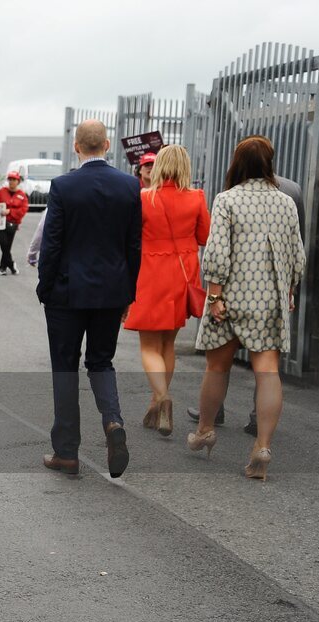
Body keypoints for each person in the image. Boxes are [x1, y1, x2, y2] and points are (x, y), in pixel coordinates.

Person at [188, 136, 305, 481]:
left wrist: (214, 296)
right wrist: (290, 289)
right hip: (270, 298)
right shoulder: (285, 203)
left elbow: (217, 253)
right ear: (270, 163)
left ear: (237, 163)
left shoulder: (227, 200)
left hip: (232, 297)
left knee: (217, 366)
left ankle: (206, 430)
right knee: (267, 371)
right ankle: (263, 446)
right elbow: (296, 255)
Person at [37, 120, 141, 478]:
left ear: (77, 147)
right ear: (107, 145)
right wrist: (129, 291)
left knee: (65, 367)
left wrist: (44, 287)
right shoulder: (130, 185)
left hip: (67, 292)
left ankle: (66, 452)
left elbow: (52, 243)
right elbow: (133, 245)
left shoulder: (63, 186)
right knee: (101, 361)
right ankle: (113, 422)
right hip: (111, 291)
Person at [122, 145, 210, 437]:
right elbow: (203, 236)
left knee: (148, 346)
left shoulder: (144, 198)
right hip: (183, 275)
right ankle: (156, 400)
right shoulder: (197, 198)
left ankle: (162, 398)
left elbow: (130, 238)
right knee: (167, 345)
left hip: (150, 273)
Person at [0, 170, 30, 276]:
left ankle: (3, 267)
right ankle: (11, 264)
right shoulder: (1, 192)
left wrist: (11, 212)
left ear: (18, 181)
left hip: (13, 224)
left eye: (14, 180)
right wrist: (0, 210)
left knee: (7, 246)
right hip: (1, 223)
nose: (12, 182)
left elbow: (23, 209)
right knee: (4, 244)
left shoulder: (22, 195)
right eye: (10, 179)